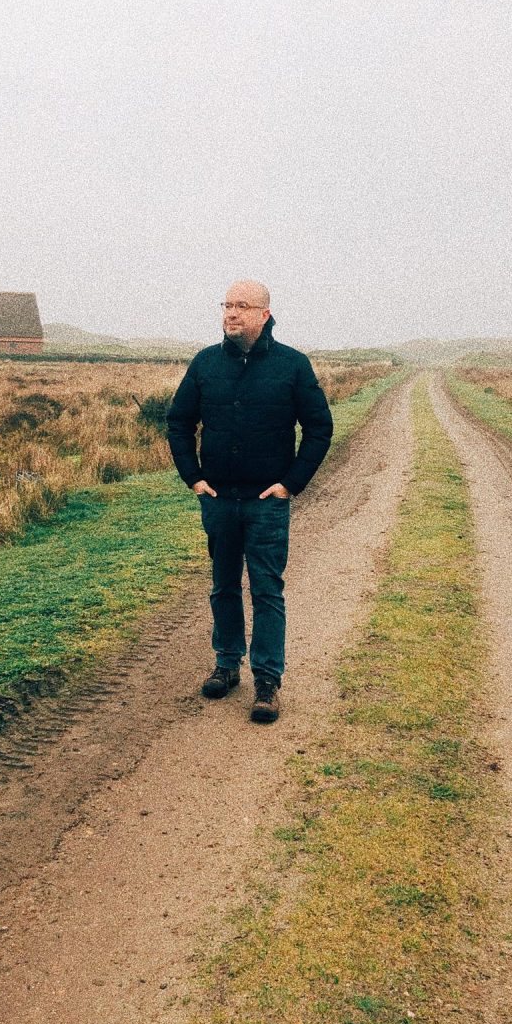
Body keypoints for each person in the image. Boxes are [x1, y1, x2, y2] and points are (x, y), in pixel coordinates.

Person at [166, 281, 333, 723]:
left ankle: (267, 681)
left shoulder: (292, 366)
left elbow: (319, 428)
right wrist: (194, 478)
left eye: (242, 306)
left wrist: (290, 484)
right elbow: (179, 421)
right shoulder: (205, 363)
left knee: (266, 590)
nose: (231, 313)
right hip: (218, 499)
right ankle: (226, 665)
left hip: (266, 502)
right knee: (223, 585)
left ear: (264, 313)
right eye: (227, 304)